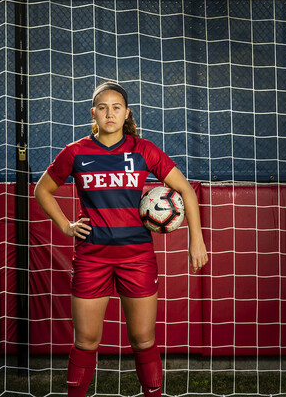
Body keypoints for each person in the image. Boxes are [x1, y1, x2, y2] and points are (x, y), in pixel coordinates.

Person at [34, 81, 208, 397]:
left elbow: (186, 191)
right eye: (102, 107)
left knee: (143, 339)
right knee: (86, 340)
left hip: (137, 257)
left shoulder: (143, 149)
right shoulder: (75, 152)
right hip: (91, 257)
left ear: (126, 113)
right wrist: (66, 226)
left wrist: (196, 239)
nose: (109, 113)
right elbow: (41, 189)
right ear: (93, 113)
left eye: (116, 107)